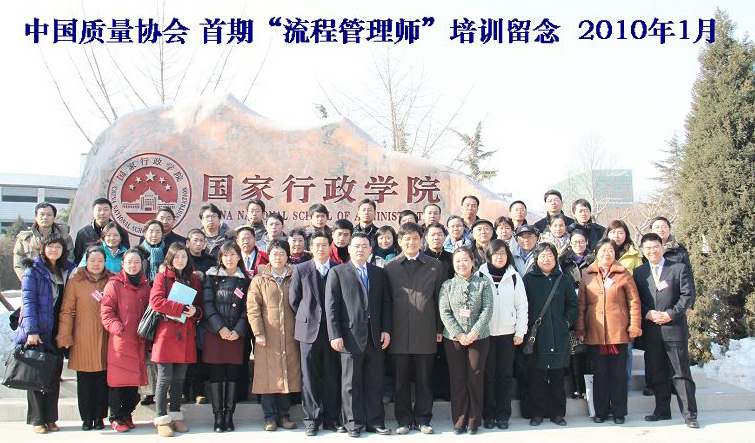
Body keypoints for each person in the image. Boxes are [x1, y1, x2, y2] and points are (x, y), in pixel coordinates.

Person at [325, 233, 393, 437]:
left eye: (364, 246)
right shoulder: (337, 272)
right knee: (350, 383)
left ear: (371, 250)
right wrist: (334, 334)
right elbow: (331, 307)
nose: (360, 250)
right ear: (349, 249)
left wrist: (386, 330)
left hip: (375, 336)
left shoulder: (378, 273)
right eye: (356, 246)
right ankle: (353, 423)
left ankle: (375, 421)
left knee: (375, 381)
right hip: (349, 336)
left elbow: (386, 303)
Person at [384, 223, 446, 435]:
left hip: (426, 331)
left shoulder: (435, 266)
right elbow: (386, 302)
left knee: (424, 379)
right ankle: (403, 420)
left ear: (422, 240)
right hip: (398, 332)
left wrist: (439, 328)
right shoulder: (390, 267)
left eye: (415, 238)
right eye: (407, 238)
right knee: (400, 381)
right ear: (400, 241)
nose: (411, 242)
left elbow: (440, 299)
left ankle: (423, 419)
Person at [634, 233, 698, 428]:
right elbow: (635, 299)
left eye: (655, 247)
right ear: (642, 251)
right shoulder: (639, 272)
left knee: (681, 373)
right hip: (652, 329)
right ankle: (662, 411)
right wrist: (647, 313)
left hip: (674, 327)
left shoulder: (678, 268)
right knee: (658, 373)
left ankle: (690, 415)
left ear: (662, 247)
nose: (652, 251)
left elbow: (687, 296)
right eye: (648, 248)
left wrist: (671, 314)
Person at [575, 238, 642, 424]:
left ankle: (619, 412)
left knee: (618, 374)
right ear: (596, 253)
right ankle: (601, 412)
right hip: (596, 332)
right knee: (600, 374)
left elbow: (634, 302)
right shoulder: (588, 275)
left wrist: (634, 326)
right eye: (603, 250)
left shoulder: (623, 274)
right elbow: (581, 305)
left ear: (616, 254)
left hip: (618, 332)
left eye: (610, 251)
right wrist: (580, 329)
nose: (606, 254)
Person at [15, 234, 76, 434]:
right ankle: (37, 419)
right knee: (37, 376)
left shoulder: (67, 269)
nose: (54, 250)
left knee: (54, 375)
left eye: (58, 247)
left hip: (58, 329)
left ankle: (51, 418)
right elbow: (28, 302)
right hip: (39, 329)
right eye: (50, 246)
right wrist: (32, 331)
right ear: (43, 248)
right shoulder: (33, 270)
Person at [289, 231, 345, 436]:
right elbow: (294, 300)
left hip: (332, 332)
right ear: (310, 248)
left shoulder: (338, 269)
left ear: (330, 247)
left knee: (332, 376)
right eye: (317, 245)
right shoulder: (301, 269)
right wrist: (309, 316)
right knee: (309, 377)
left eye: (324, 245)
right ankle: (311, 419)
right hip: (308, 331)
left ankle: (331, 419)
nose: (320, 249)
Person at [56, 245, 114, 431]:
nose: (96, 264)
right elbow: (67, 310)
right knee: (84, 381)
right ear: (86, 261)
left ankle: (99, 417)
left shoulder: (112, 280)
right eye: (92, 260)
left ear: (105, 262)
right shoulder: (76, 280)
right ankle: (87, 418)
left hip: (106, 336)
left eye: (100, 260)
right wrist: (65, 336)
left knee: (102, 380)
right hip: (82, 336)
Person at [149, 243, 203, 436]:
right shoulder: (162, 277)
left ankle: (175, 414)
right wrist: (181, 308)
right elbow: (156, 302)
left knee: (180, 378)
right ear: (170, 258)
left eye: (184, 257)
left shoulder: (194, 279)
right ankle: (161, 418)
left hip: (186, 333)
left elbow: (199, 306)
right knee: (164, 378)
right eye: (177, 257)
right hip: (167, 333)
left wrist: (195, 311)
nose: (180, 260)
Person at [248, 240, 302, 431]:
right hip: (268, 336)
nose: (278, 257)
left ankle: (284, 416)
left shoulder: (295, 277)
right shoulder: (259, 280)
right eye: (274, 254)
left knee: (287, 374)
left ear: (288, 256)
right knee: (267, 376)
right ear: (268, 256)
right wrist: (258, 333)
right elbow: (253, 309)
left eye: (281, 253)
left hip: (291, 335)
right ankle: (269, 417)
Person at [522, 242, 578, 427]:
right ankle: (536, 413)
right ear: (536, 259)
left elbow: (573, 305)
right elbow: (522, 305)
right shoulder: (528, 279)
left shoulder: (563, 279)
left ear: (556, 259)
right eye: (542, 256)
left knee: (557, 377)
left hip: (558, 336)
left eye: (550, 256)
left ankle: (558, 414)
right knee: (536, 377)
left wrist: (566, 323)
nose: (546, 259)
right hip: (536, 336)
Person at [439, 246, 493, 434]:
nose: (461, 264)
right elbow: (445, 312)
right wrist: (459, 334)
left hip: (479, 338)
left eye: (465, 260)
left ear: (472, 262)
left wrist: (475, 332)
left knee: (475, 378)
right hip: (453, 340)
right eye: (457, 261)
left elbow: (487, 309)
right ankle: (459, 421)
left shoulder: (483, 283)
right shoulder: (447, 285)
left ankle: (473, 421)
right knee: (458, 379)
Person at [477, 240, 528, 430]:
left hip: (508, 334)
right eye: (496, 253)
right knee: (488, 376)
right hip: (486, 334)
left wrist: (520, 332)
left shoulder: (514, 277)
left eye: (503, 253)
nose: (499, 257)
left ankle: (503, 415)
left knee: (505, 376)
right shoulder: (480, 275)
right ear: (489, 256)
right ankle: (488, 415)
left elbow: (522, 306)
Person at [202, 241, 251, 432]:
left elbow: (247, 309)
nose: (229, 258)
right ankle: (218, 416)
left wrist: (238, 330)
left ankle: (229, 416)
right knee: (216, 375)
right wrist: (220, 328)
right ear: (220, 258)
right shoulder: (211, 276)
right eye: (225, 255)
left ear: (239, 257)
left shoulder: (245, 280)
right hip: (215, 333)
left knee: (232, 375)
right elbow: (207, 305)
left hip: (236, 335)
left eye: (232, 254)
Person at [100, 248, 150, 432]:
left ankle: (127, 413)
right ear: (122, 264)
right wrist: (118, 328)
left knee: (133, 381)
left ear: (141, 264)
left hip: (139, 339)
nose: (133, 266)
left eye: (136, 262)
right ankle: (116, 416)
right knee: (118, 381)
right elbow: (106, 312)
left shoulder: (145, 286)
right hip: (121, 340)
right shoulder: (114, 285)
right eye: (129, 262)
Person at [184, 229, 214, 405]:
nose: (198, 244)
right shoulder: (181, 258)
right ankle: (183, 390)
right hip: (182, 311)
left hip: (202, 311)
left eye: (201, 241)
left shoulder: (210, 261)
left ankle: (199, 390)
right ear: (188, 242)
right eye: (194, 240)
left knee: (200, 351)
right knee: (183, 351)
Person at [13, 202, 74, 280]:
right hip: (33, 282)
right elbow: (18, 264)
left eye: (49, 215)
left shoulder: (65, 238)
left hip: (58, 282)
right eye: (42, 214)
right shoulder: (24, 239)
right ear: (36, 217)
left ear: (54, 217)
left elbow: (70, 259)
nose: (45, 217)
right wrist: (27, 279)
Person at [73, 198, 130, 264]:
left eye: (106, 209)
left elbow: (126, 256)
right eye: (99, 210)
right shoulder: (83, 233)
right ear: (93, 212)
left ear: (111, 212)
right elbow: (78, 259)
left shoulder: (121, 232)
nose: (102, 213)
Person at [138, 219, 166, 285]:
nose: (154, 235)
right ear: (145, 233)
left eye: (158, 232)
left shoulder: (168, 251)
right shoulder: (137, 251)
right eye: (151, 232)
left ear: (162, 234)